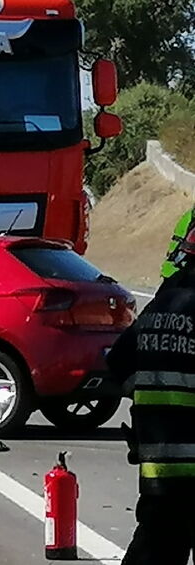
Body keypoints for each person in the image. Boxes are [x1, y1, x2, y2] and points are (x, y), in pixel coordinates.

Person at [107, 227, 195, 564]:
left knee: (156, 549)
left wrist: (150, 407)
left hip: (159, 471)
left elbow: (118, 362)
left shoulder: (160, 304)